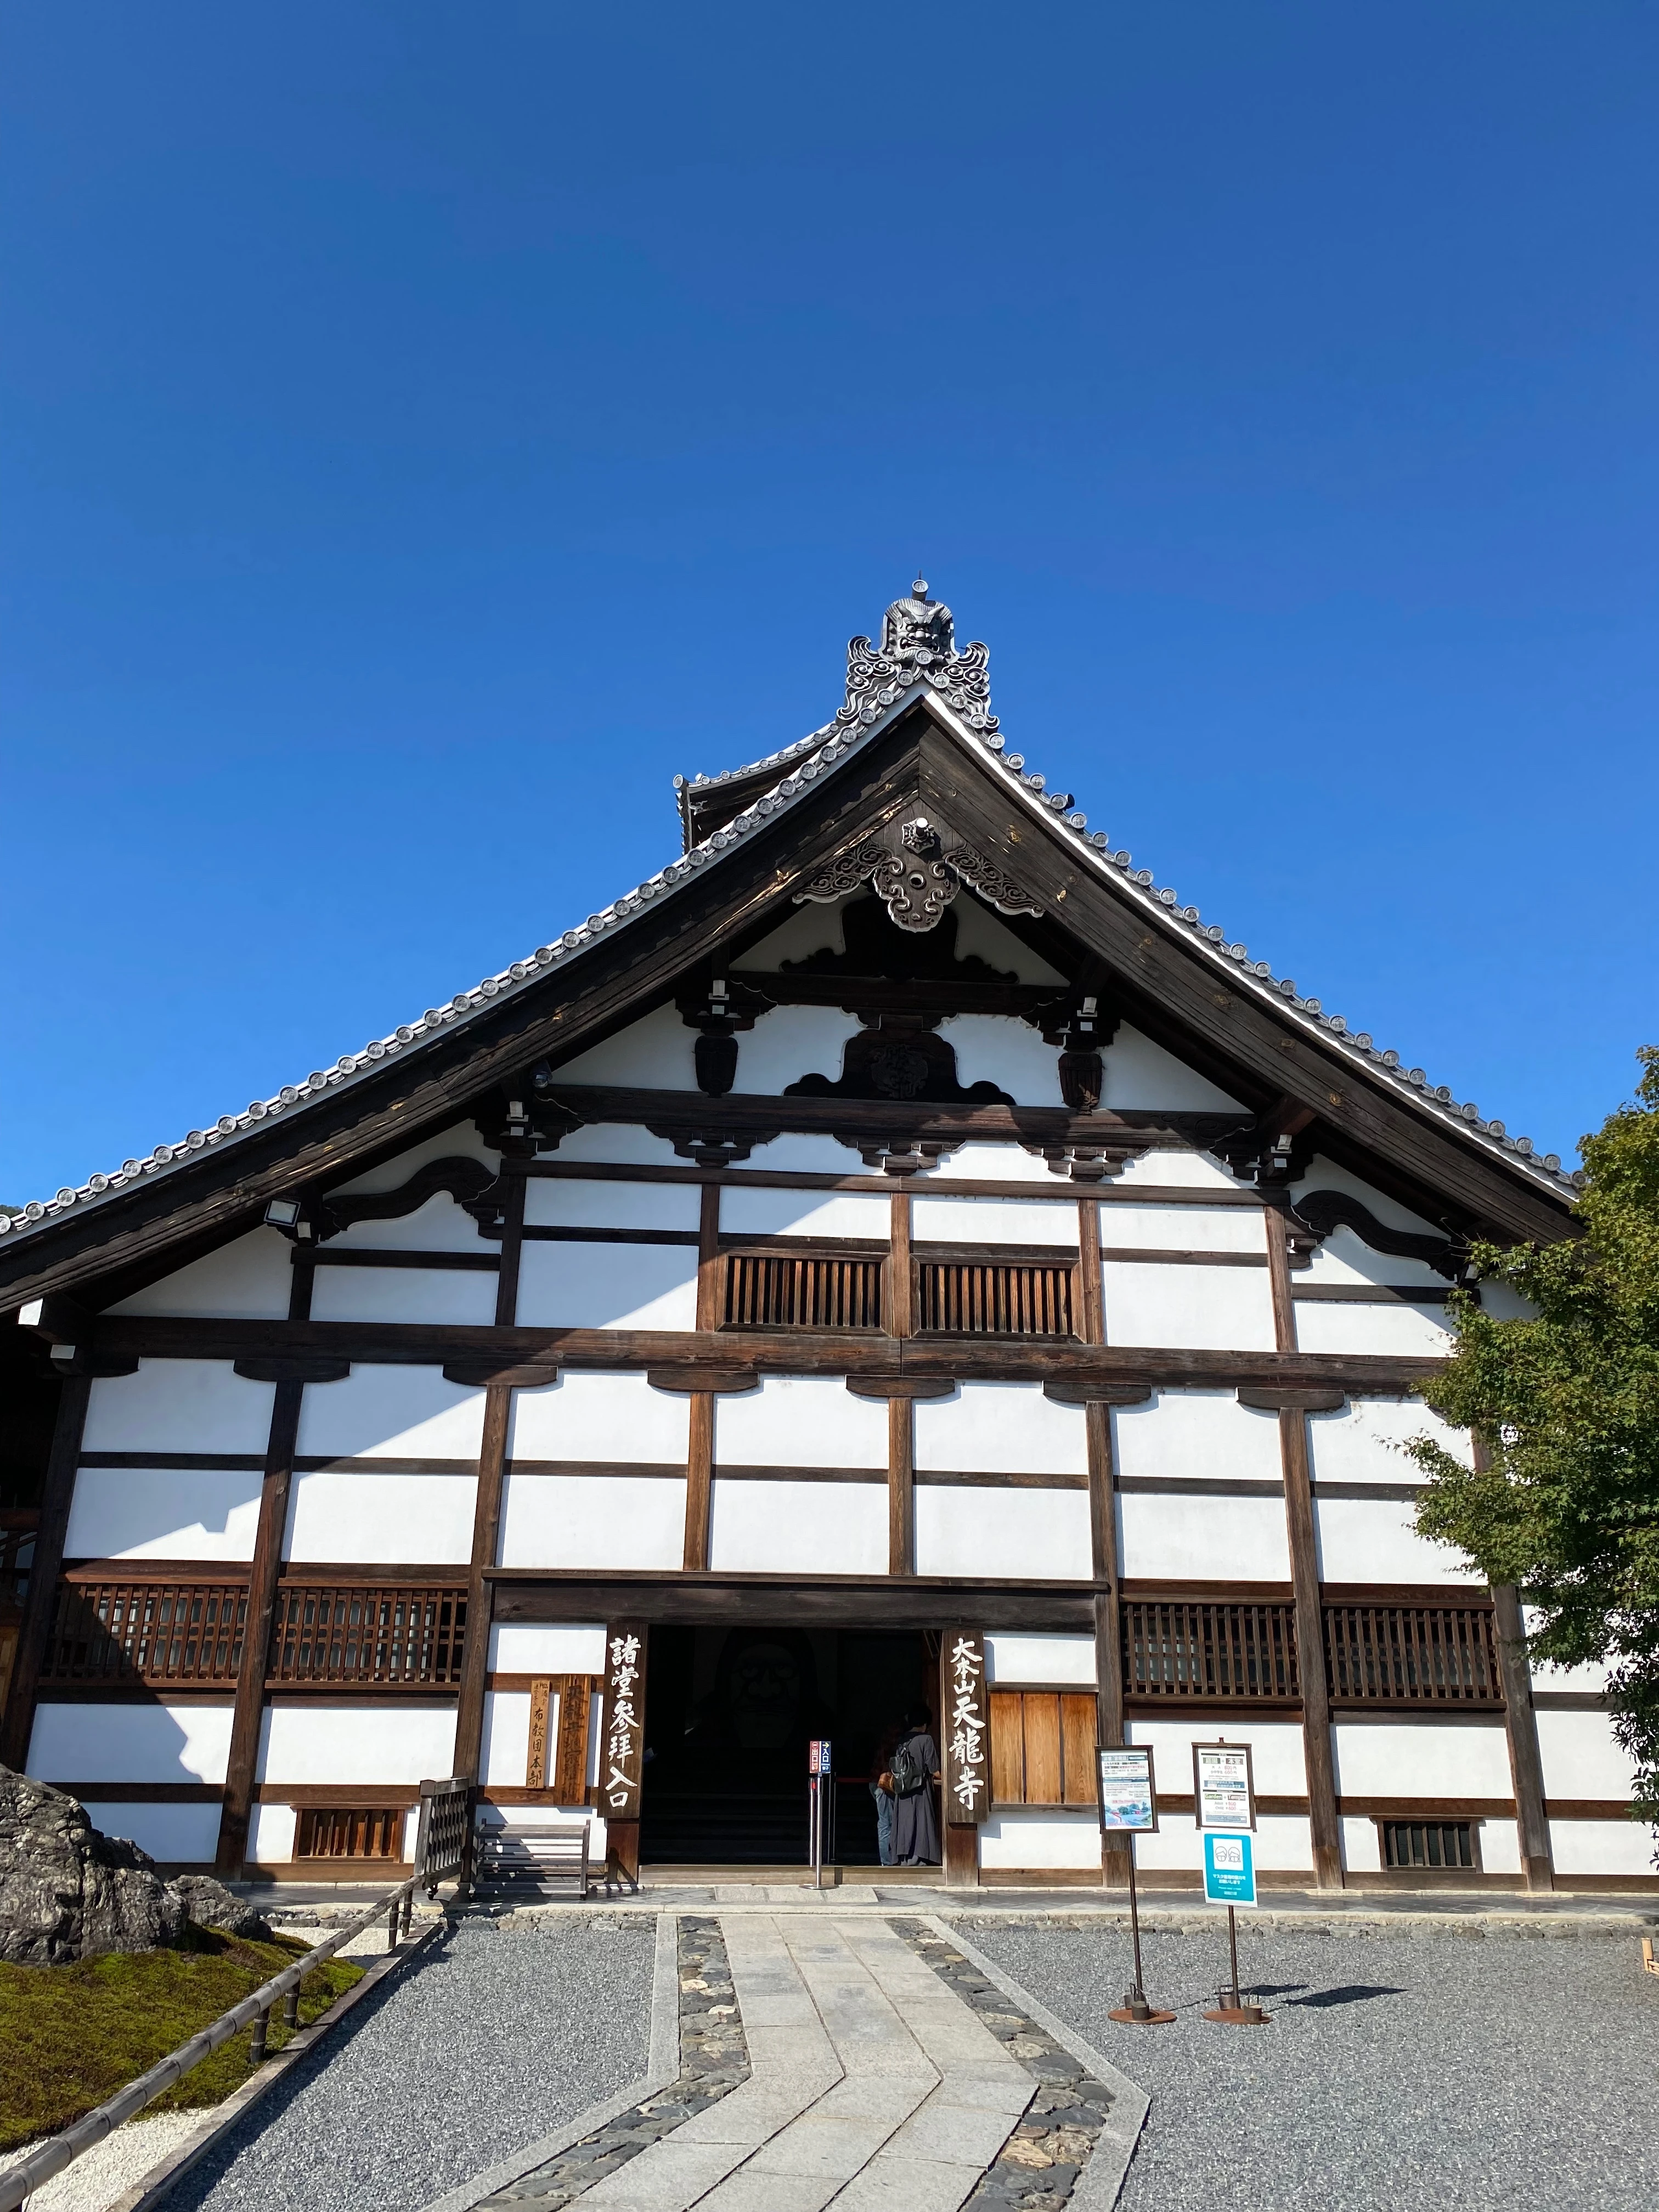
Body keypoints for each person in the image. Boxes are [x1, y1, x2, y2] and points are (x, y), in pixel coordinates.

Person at [889, 1706, 942, 1867]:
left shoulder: (902, 1740)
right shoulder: (926, 1740)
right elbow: (934, 1770)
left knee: (904, 1823)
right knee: (921, 1822)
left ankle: (903, 1858)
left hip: (903, 1789)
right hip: (920, 1789)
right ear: (925, 1723)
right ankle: (920, 1858)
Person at [868, 1721, 902, 1867]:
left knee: (886, 1824)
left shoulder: (886, 1742)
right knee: (886, 1825)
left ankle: (888, 1861)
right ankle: (887, 1862)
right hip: (885, 1785)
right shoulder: (894, 1742)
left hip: (878, 1783)